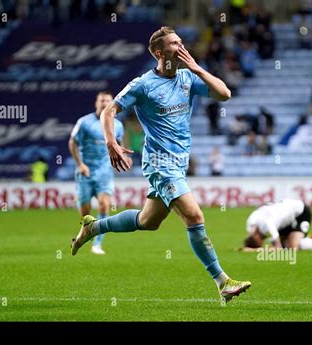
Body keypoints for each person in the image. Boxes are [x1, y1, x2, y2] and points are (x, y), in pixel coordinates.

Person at [71, 26, 251, 302]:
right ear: (159, 52)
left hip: (178, 163)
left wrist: (198, 69)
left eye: (181, 41)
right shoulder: (143, 85)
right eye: (174, 43)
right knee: (194, 216)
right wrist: (111, 142)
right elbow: (110, 111)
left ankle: (94, 228)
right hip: (159, 162)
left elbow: (224, 94)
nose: (181, 46)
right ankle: (222, 281)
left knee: (147, 221)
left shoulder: (188, 78)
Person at [68, 91, 125, 255]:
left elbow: (118, 144)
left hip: (104, 172)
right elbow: (72, 142)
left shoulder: (118, 125)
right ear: (96, 103)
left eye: (108, 100)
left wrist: (123, 157)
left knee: (104, 204)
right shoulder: (84, 122)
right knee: (85, 213)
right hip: (85, 171)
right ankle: (83, 235)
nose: (104, 103)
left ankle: (97, 244)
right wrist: (79, 164)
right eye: (101, 100)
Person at [239, 199, 312, 252]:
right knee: (285, 246)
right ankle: (307, 237)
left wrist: (254, 250)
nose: (262, 241)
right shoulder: (251, 224)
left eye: (260, 242)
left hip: (300, 213)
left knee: (292, 248)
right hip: (284, 220)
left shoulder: (268, 226)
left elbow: (277, 249)